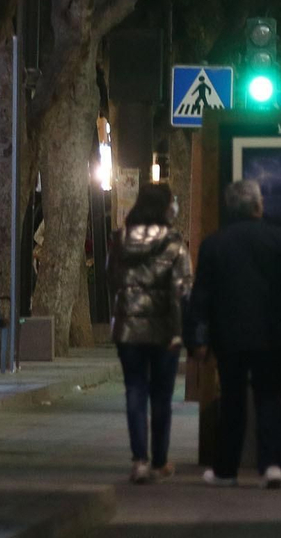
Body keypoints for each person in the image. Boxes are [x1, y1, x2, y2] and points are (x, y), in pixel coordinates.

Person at [188, 179, 281, 488]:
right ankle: (272, 464)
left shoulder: (214, 243)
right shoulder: (279, 240)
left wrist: (199, 338)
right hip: (272, 334)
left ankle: (226, 469)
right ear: (258, 206)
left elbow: (202, 295)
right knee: (269, 398)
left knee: (232, 401)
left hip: (229, 336)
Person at [110, 183, 192, 484]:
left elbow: (112, 278)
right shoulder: (174, 244)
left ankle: (139, 461)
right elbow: (184, 289)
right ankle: (159, 461)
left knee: (134, 390)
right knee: (161, 396)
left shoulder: (119, 240)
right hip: (165, 330)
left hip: (128, 329)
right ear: (165, 208)